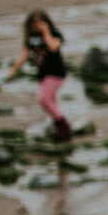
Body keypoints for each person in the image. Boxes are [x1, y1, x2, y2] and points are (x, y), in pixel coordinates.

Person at [10, 9, 72, 143]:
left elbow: (53, 47)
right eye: (34, 23)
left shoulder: (55, 34)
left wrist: (46, 32)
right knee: (51, 100)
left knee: (43, 99)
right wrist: (14, 68)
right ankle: (58, 124)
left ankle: (63, 124)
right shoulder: (32, 39)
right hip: (43, 75)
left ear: (47, 23)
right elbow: (25, 54)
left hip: (56, 73)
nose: (37, 26)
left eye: (40, 23)